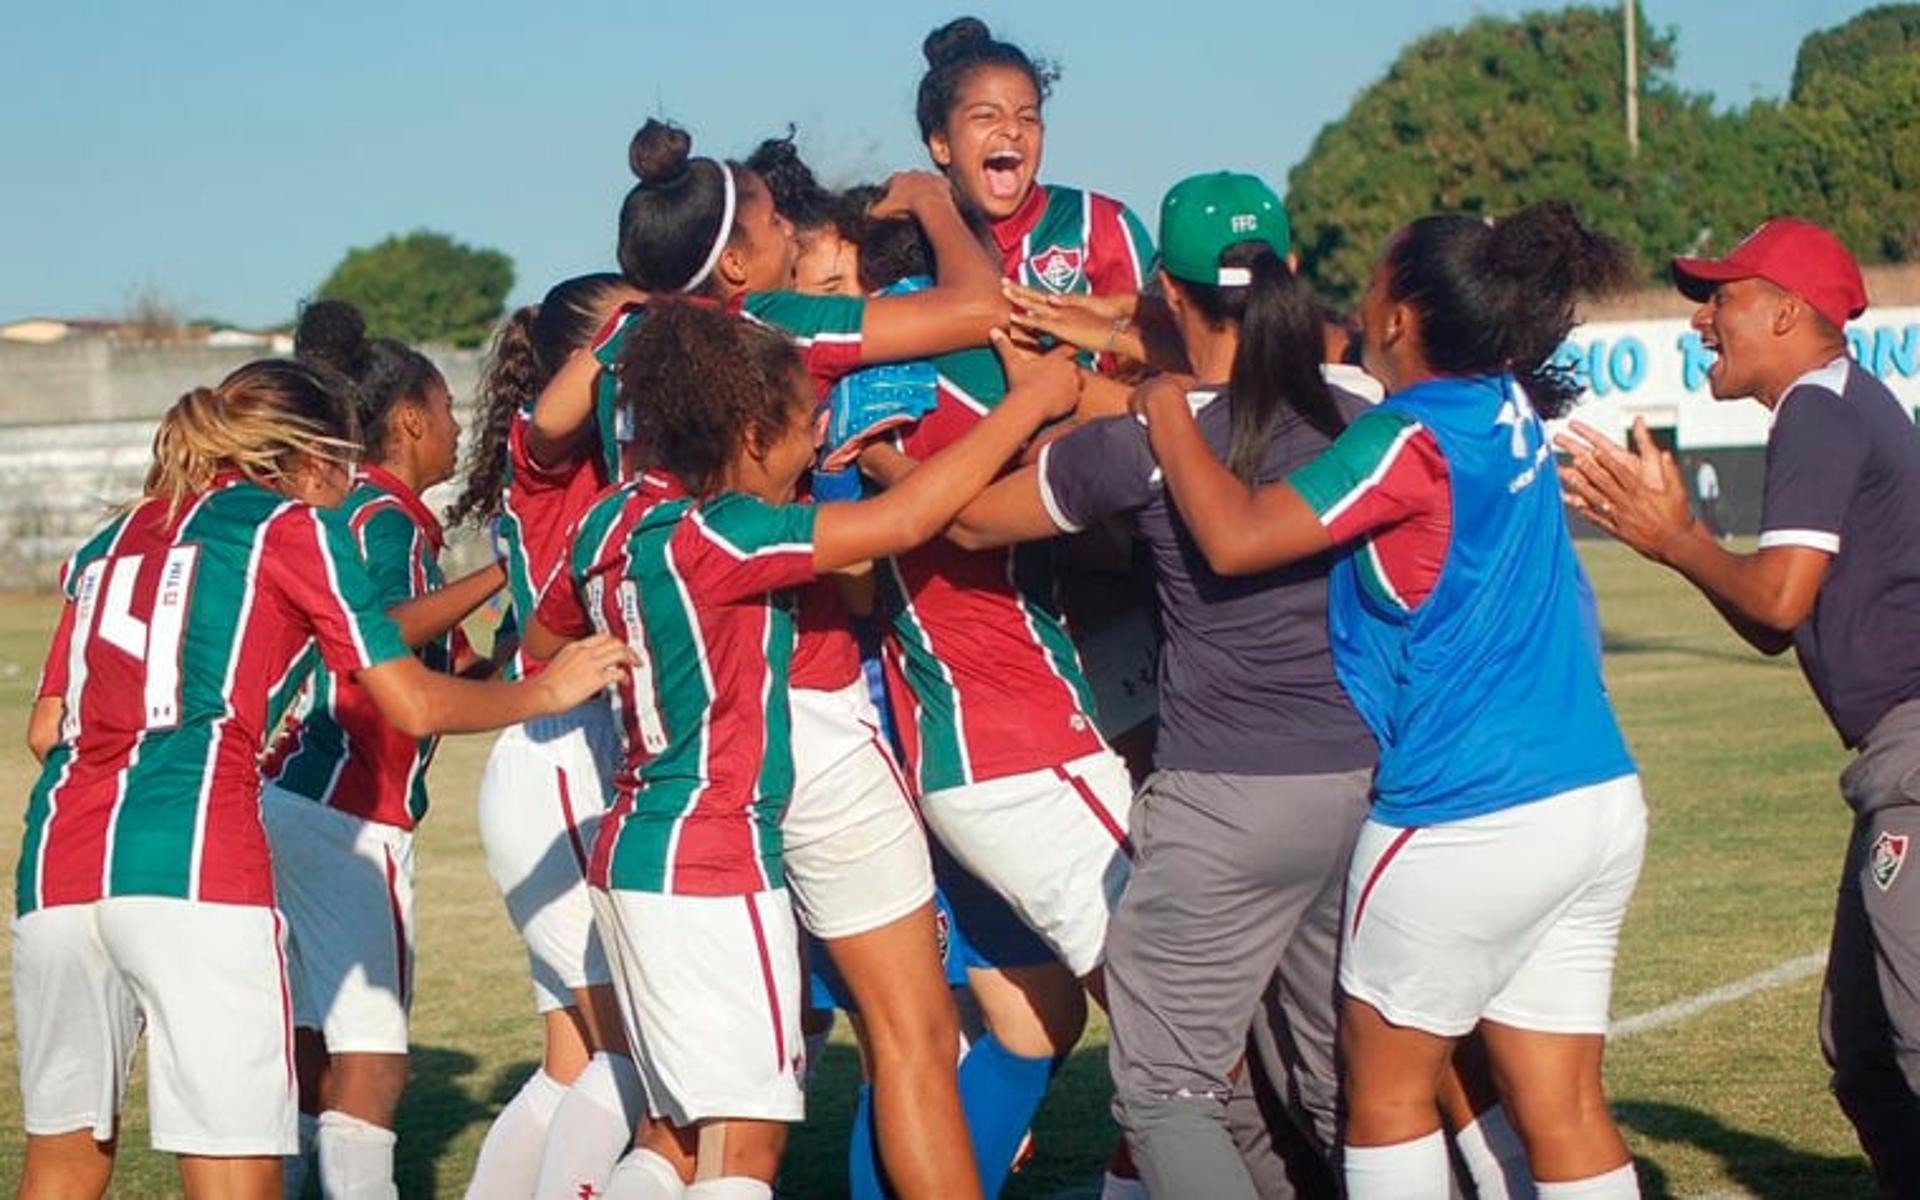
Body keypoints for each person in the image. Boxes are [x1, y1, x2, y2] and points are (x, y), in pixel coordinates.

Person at [14, 358, 632, 1200]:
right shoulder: (288, 525)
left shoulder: (107, 541)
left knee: (63, 1163)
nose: (352, 483)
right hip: (194, 866)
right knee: (234, 1167)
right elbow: (408, 701)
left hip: (54, 869)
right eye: (344, 462)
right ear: (308, 459)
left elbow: (46, 728)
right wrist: (548, 689)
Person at [1136, 200, 1648, 1198]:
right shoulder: (1503, 399)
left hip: (1467, 808)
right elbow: (1319, 333)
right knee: (1565, 1104)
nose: (1356, 304)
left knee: (1384, 1091)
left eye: (1371, 284)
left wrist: (1163, 408)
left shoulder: (1404, 438)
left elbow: (1238, 536)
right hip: (1593, 796)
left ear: (1405, 318)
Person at [527, 300, 1079, 1199]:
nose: (818, 431)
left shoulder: (612, 516)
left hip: (646, 832)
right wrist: (1029, 403)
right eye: (802, 422)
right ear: (748, 432)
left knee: (685, 1126)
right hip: (747, 803)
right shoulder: (726, 531)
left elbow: (548, 634)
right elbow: (899, 529)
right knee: (878, 1060)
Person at [923, 172, 1378, 1198]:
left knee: (1167, 1091)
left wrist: (1031, 402)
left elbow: (965, 520)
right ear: (1292, 273)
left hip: (1223, 793)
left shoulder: (1135, 447)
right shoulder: (1357, 401)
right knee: (1328, 1078)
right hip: (1354, 779)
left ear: (1168, 294)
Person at [1556, 217, 1920, 1197]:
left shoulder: (1818, 409)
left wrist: (1675, 538)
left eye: (1723, 297)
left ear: (1789, 312)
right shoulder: (1839, 404)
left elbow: (1776, 600)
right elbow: (1776, 622)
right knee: (1865, 1049)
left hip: (1915, 762)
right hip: (1898, 762)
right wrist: (1682, 539)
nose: (1701, 319)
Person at [835, 201, 1140, 1196]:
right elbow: (964, 521)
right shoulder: (968, 358)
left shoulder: (860, 387)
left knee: (1021, 1019)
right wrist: (1046, 396)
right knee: (1175, 1024)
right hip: (1017, 741)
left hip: (959, 739)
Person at [260, 301, 506, 1198]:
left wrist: (525, 633)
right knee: (373, 1058)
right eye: (446, 409)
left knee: (312, 1042)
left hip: (297, 799)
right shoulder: (385, 516)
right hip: (349, 811)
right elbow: (382, 633)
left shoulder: (368, 515)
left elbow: (466, 673)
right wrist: (506, 571)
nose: (455, 428)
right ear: (408, 421)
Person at [914, 16, 1163, 810]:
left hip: (1113, 559)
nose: (1010, 132)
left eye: (1026, 116)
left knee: (1145, 779)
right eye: (985, 116)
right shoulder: (911, 246)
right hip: (981, 578)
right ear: (940, 144)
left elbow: (1167, 358)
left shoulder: (1102, 225)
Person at [450, 274, 652, 1200]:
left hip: (553, 756)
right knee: (626, 1051)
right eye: (627, 322)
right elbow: (547, 419)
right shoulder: (552, 452)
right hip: (561, 751)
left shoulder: (595, 453)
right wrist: (629, 336)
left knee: (571, 1062)